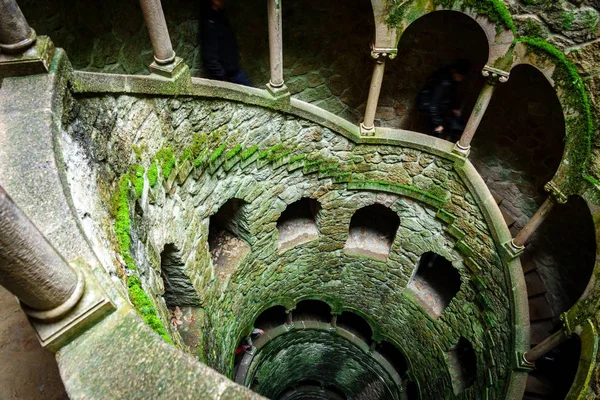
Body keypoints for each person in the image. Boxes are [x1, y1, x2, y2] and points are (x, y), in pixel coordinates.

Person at [201, 0, 252, 86]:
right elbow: (210, 57)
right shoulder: (210, 22)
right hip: (229, 76)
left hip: (234, 71)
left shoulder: (221, 17)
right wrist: (223, 80)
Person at [416, 59, 470, 141]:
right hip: (431, 110)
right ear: (454, 72)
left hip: (438, 110)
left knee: (457, 126)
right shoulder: (444, 83)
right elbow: (433, 106)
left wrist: (454, 108)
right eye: (460, 76)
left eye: (462, 77)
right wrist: (437, 124)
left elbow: (448, 97)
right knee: (436, 136)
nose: (461, 79)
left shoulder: (451, 81)